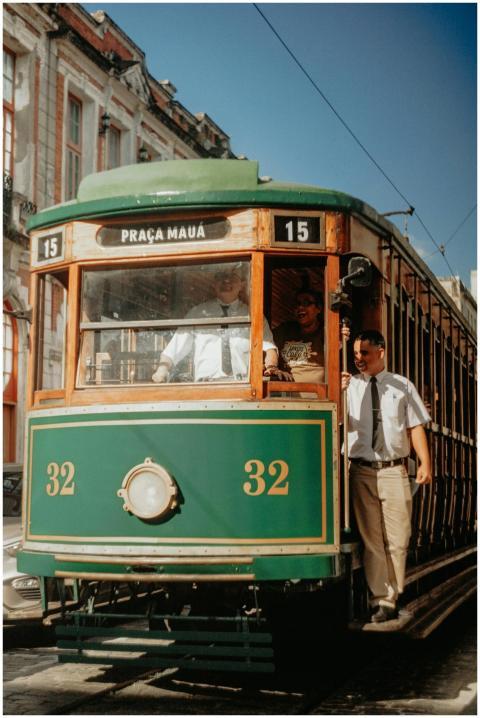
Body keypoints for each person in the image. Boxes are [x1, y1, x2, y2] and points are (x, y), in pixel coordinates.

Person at [341, 329, 432, 623]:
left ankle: (394, 590)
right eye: (355, 354)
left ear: (381, 351)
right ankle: (383, 599)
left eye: (364, 353)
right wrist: (337, 391)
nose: (359, 359)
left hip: (394, 470)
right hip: (361, 470)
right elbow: (339, 422)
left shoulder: (402, 386)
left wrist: (425, 463)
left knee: (398, 536)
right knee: (372, 539)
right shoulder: (349, 386)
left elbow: (415, 426)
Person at [152, 265, 278, 383]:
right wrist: (161, 371)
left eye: (233, 277)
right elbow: (173, 349)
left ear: (242, 285)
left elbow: (269, 349)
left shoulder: (253, 315)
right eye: (221, 276)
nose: (226, 281)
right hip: (206, 388)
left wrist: (271, 368)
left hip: (243, 385)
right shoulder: (198, 313)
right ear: (214, 284)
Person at [271, 289, 324, 384]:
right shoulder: (285, 330)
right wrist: (275, 369)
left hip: (319, 395)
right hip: (286, 395)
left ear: (318, 308)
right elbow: (265, 346)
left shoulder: (327, 333)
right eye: (297, 304)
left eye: (306, 303)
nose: (300, 307)